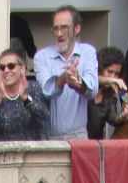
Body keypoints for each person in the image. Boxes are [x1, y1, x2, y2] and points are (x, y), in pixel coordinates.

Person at [33, 8, 98, 138]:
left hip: (79, 136)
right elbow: (47, 91)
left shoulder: (87, 52)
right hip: (50, 137)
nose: (59, 33)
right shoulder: (42, 56)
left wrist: (78, 83)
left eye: (64, 28)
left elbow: (92, 90)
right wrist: (63, 79)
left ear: (77, 29)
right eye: (55, 28)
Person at [0, 45, 50, 141]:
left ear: (22, 69)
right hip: (3, 154)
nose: (6, 70)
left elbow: (44, 118)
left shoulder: (33, 88)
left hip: (30, 152)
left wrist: (25, 98)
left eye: (11, 66)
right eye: (2, 67)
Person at [89, 49, 128, 140]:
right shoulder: (87, 86)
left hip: (96, 145)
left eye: (116, 74)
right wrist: (113, 81)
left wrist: (123, 116)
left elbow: (114, 119)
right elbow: (94, 79)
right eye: (109, 72)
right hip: (76, 141)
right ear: (100, 69)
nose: (113, 77)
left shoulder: (110, 94)